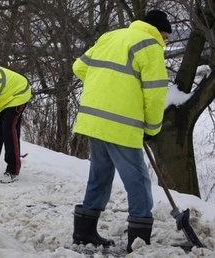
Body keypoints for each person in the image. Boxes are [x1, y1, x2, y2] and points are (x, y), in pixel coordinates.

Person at [71, 10, 171, 252]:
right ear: (158, 30)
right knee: (137, 180)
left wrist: (106, 85)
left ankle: (84, 232)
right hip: (122, 125)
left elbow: (79, 67)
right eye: (166, 36)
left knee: (100, 175)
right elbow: (155, 93)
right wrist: (152, 128)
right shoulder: (150, 45)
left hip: (94, 119)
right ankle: (139, 242)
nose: (165, 42)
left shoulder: (111, 36)